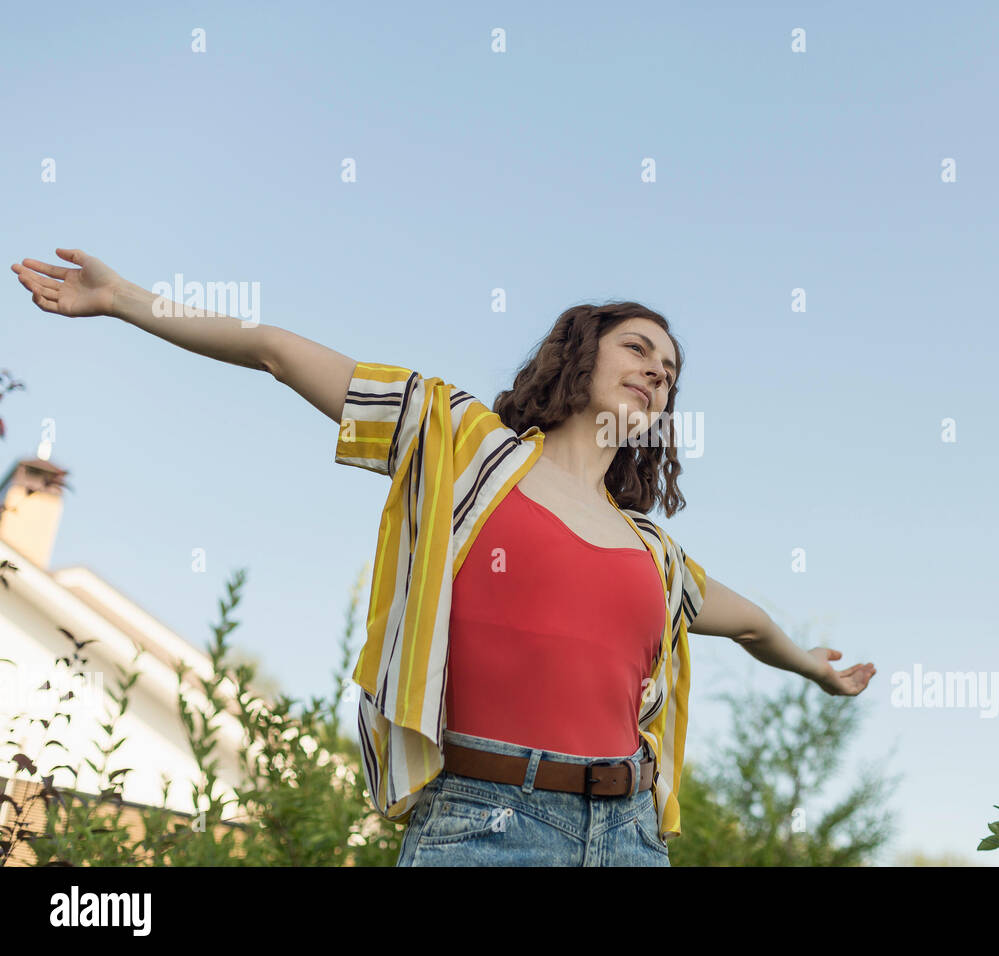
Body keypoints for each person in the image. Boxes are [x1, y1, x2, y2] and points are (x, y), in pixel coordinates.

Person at [11, 248, 876, 866]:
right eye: (638, 349)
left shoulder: (654, 552)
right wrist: (127, 299)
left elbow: (754, 624)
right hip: (488, 826)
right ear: (581, 359)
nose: (656, 372)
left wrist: (816, 670)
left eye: (671, 370)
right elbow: (278, 355)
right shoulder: (462, 444)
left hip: (630, 836)